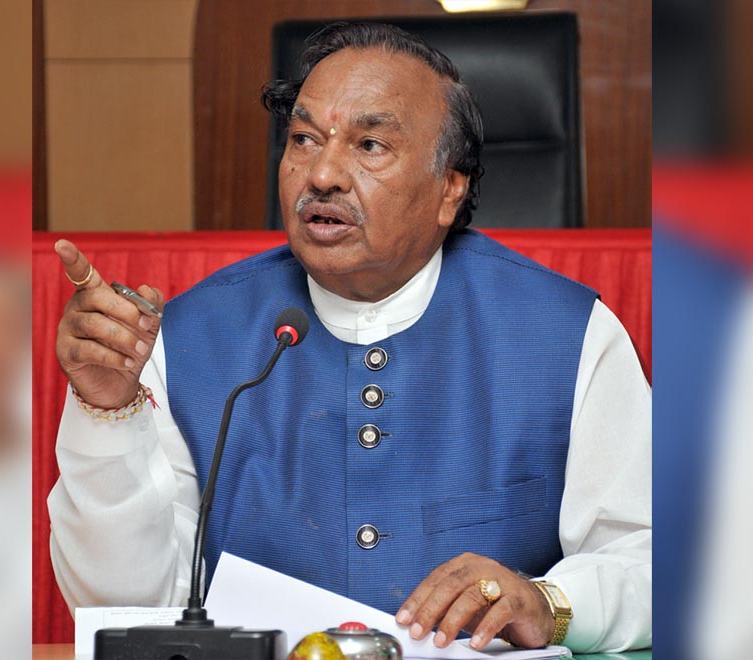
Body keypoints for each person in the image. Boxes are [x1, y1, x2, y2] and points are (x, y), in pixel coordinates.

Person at [48, 22, 650, 653]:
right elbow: (128, 610)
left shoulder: (566, 334)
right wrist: (106, 411)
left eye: (369, 145)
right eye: (303, 139)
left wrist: (549, 602)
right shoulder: (187, 338)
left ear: (450, 187)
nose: (323, 174)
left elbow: (648, 559)